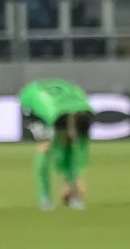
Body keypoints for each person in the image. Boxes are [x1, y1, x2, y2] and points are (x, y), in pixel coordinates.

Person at [19, 79, 95, 211]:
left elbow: (79, 150)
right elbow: (59, 150)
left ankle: (72, 196)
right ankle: (45, 198)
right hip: (33, 102)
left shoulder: (86, 113)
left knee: (68, 146)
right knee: (46, 147)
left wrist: (74, 181)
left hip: (62, 102)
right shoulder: (53, 114)